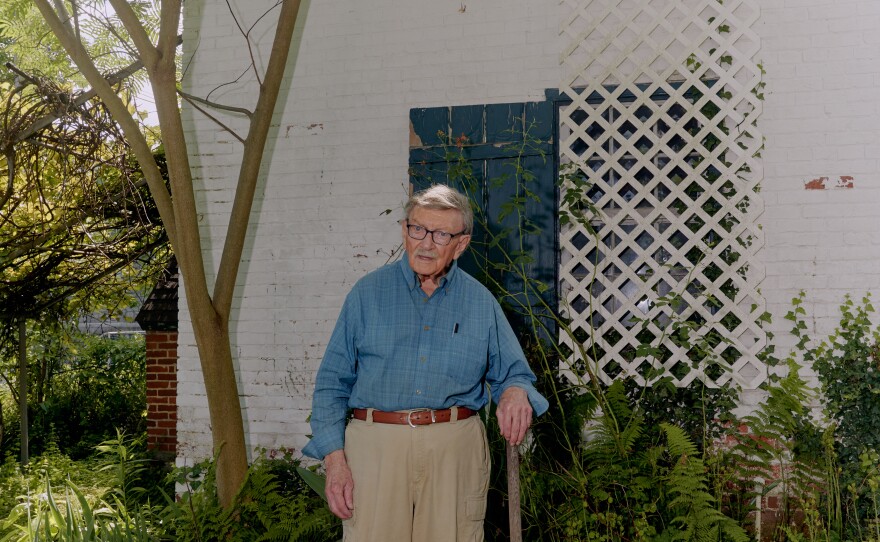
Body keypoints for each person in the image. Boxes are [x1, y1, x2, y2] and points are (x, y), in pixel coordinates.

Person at [302, 184, 548, 541]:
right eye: (417, 229)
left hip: (454, 449)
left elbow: (515, 373)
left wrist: (514, 393)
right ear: (404, 230)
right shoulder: (366, 295)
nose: (426, 243)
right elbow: (331, 384)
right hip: (375, 448)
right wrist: (335, 461)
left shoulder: (480, 302)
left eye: (441, 234)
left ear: (461, 244)